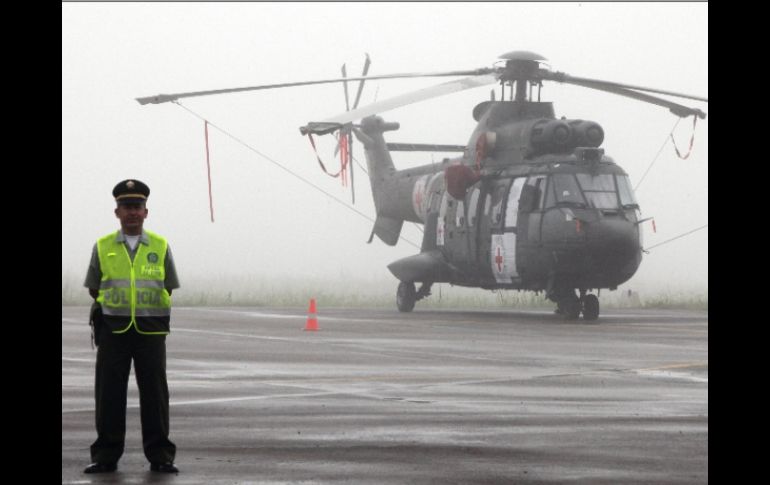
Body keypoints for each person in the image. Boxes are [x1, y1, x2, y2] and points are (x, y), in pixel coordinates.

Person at [83, 179, 180, 474]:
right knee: (109, 394)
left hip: (151, 331)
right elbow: (94, 286)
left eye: (137, 207)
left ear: (146, 212)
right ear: (117, 212)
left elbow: (169, 285)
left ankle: (160, 455)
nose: (132, 213)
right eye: (126, 207)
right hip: (113, 331)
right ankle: (105, 456)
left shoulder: (161, 246)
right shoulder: (102, 247)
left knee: (155, 395)